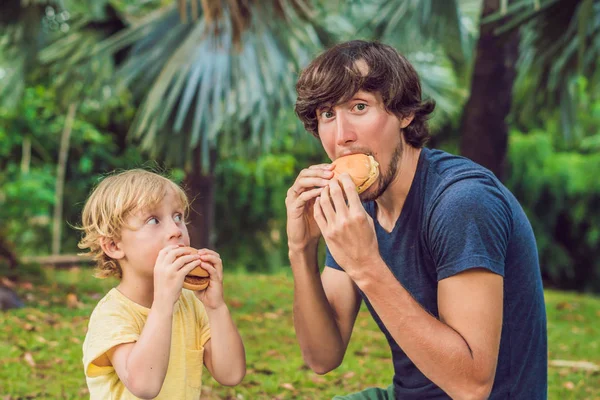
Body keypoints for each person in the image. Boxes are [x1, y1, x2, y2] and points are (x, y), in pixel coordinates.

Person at [286, 40, 547, 399]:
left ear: (404, 113)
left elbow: (472, 386)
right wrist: (301, 248)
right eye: (327, 114)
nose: (341, 135)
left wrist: (365, 264)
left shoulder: (462, 202)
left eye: (359, 107)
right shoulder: (357, 209)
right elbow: (322, 357)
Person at [78, 169, 245, 400]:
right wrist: (163, 303)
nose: (175, 231)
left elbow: (231, 374)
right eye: (153, 220)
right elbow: (144, 386)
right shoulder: (112, 315)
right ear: (114, 246)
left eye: (178, 217)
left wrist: (216, 307)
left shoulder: (191, 304)